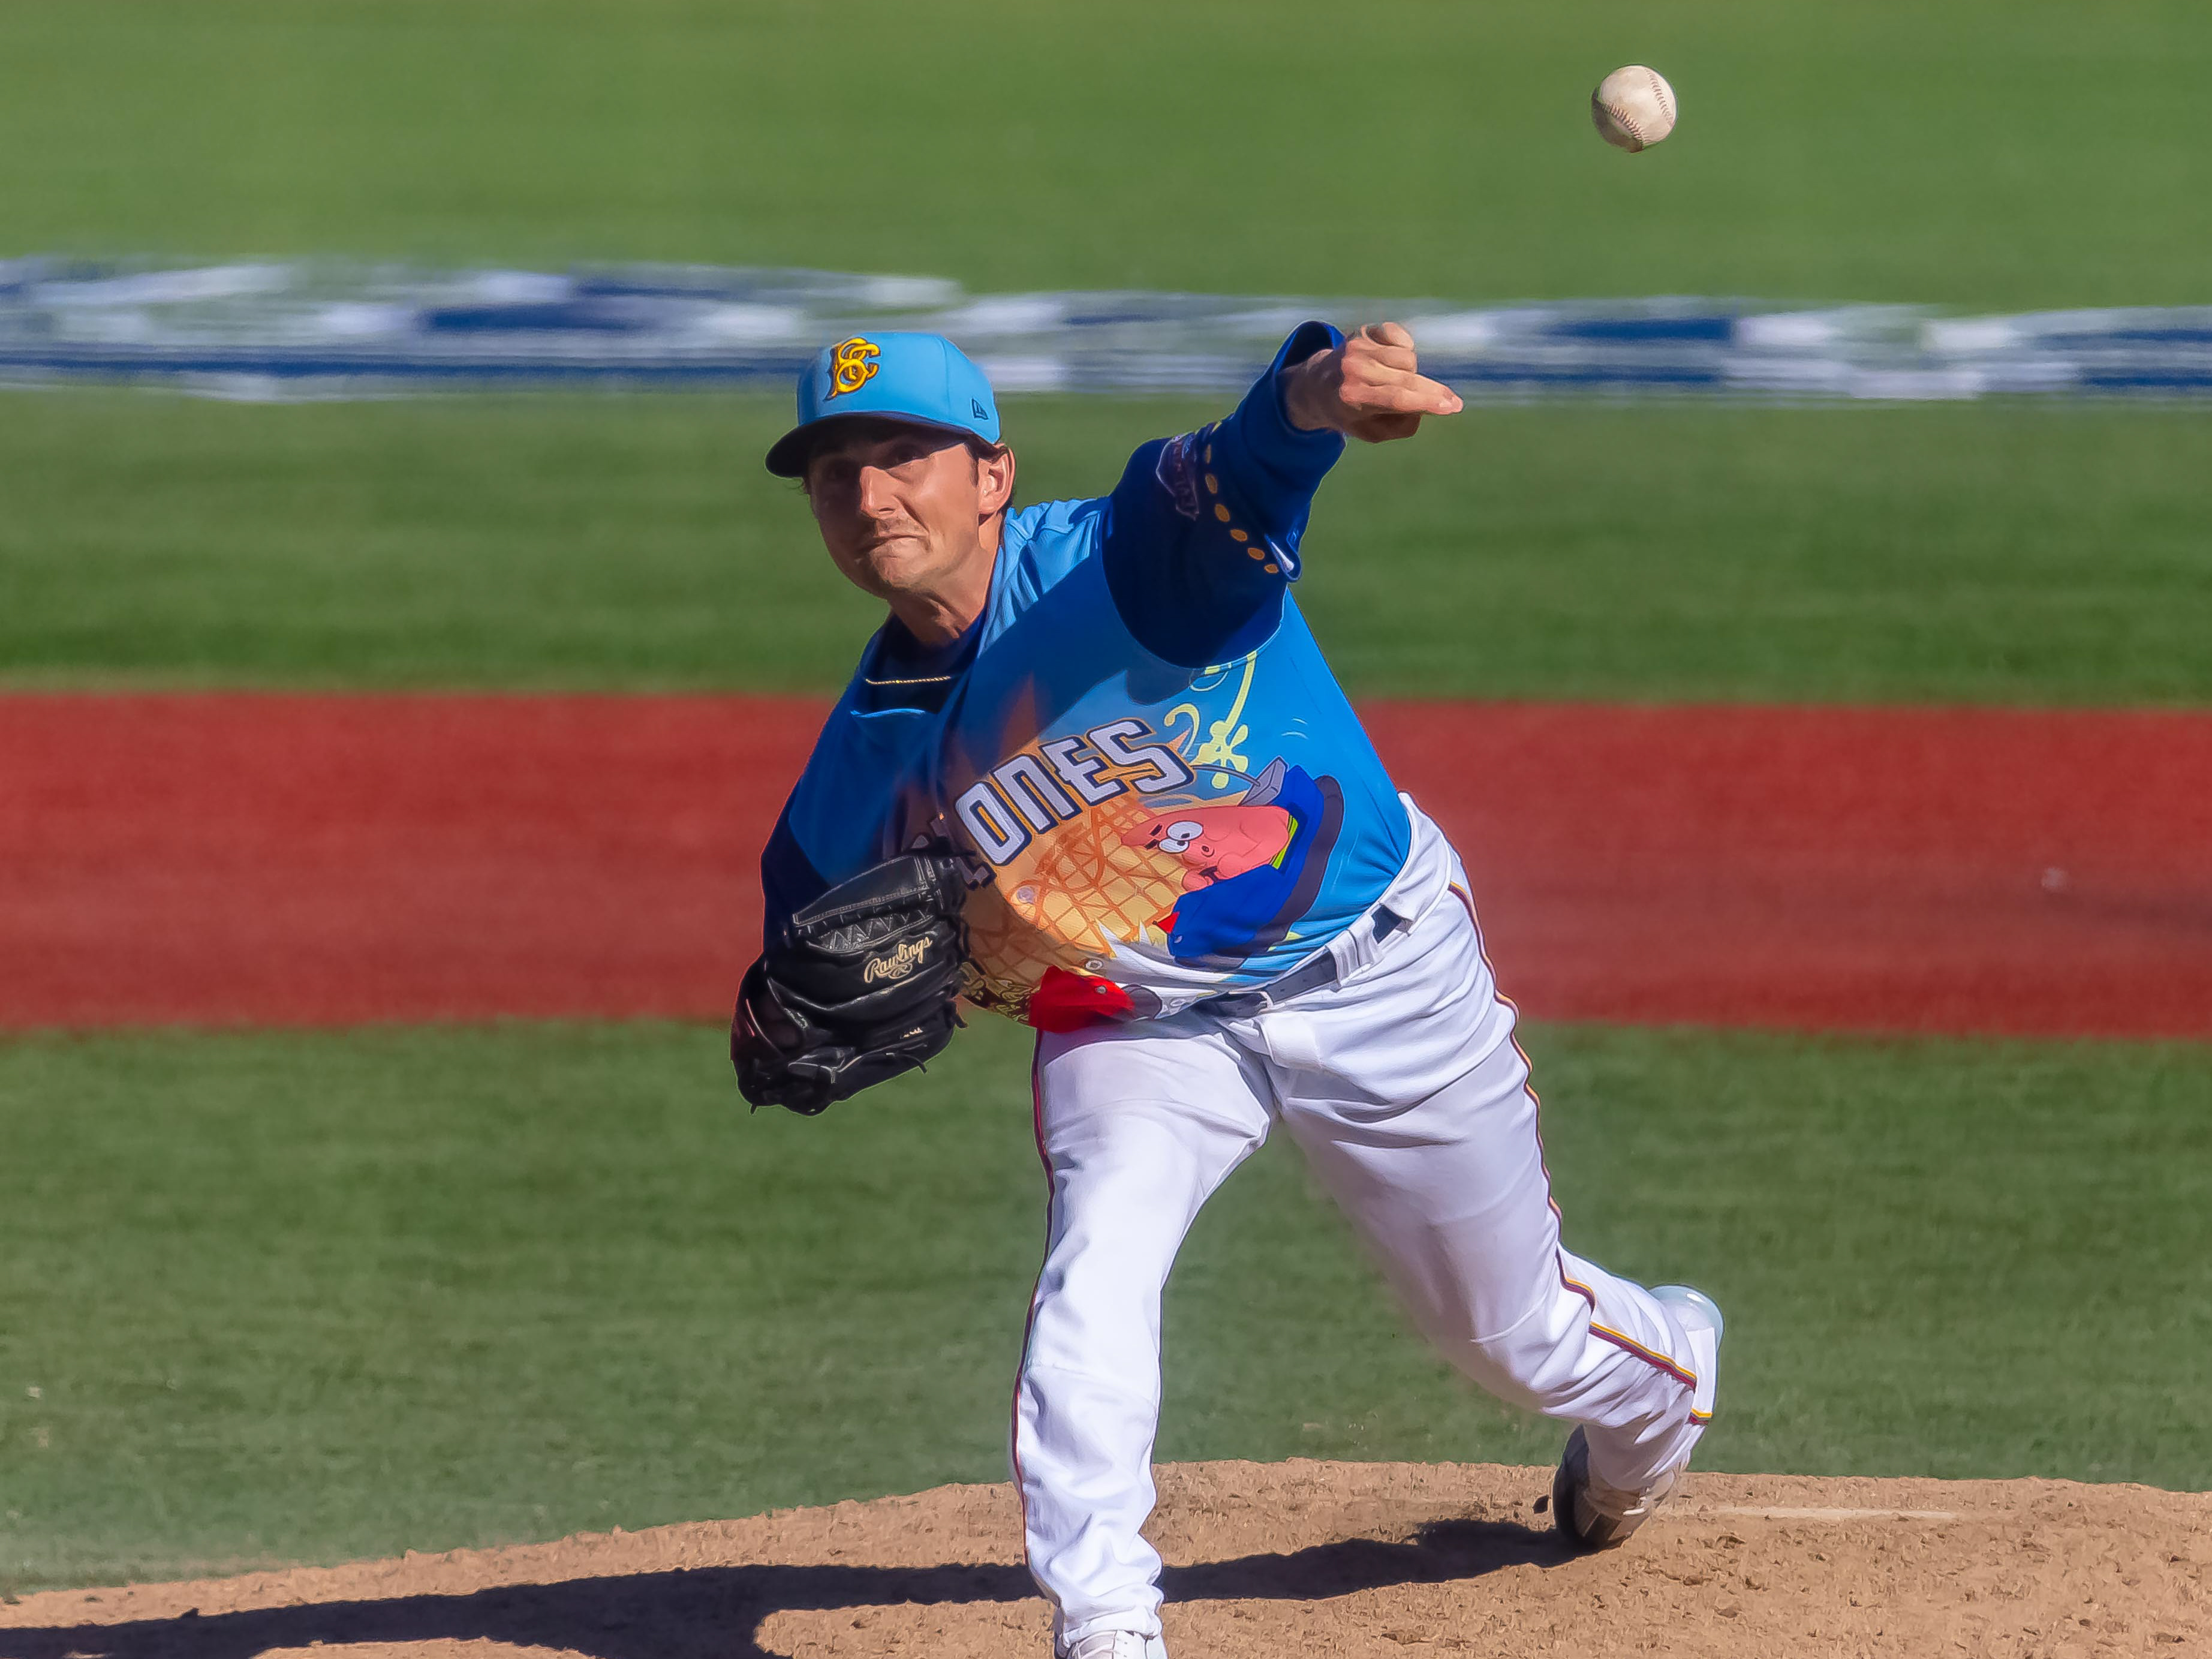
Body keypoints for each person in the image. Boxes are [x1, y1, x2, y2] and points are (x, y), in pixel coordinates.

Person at [748, 324, 1723, 1659]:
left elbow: (1246, 466)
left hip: (1378, 972)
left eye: (905, 455)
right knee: (1092, 1278)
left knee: (1508, 1335)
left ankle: (1659, 1391)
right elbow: (793, 983)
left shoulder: (1126, 566)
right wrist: (803, 1021)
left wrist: (1315, 391)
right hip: (1137, 1025)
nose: (868, 497)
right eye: (832, 473)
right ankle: (1106, 1627)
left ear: (992, 475)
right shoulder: (858, 769)